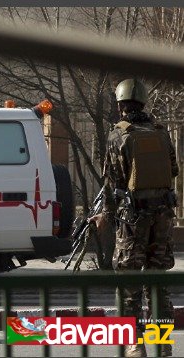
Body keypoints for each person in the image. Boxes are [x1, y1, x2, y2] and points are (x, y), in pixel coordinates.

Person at [91, 79, 178, 357]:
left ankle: (135, 344)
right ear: (143, 103)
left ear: (120, 106)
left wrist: (106, 214)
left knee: (129, 285)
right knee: (158, 284)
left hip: (134, 219)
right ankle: (162, 345)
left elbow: (113, 182)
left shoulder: (119, 134)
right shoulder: (161, 133)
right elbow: (173, 170)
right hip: (163, 218)